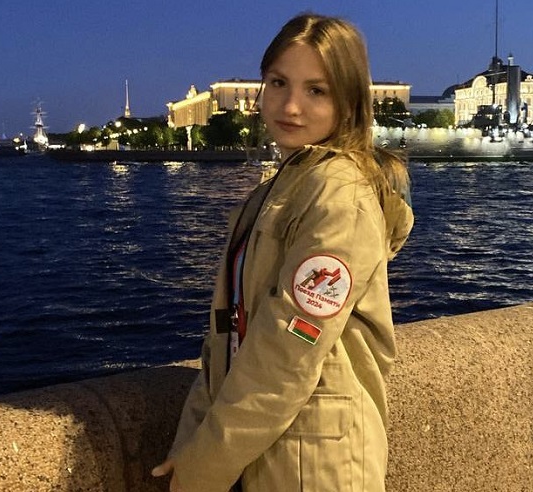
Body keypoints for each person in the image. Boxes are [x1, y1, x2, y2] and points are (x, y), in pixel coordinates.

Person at [151, 12, 413, 492]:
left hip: (316, 466)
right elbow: (229, 331)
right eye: (278, 83)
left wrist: (204, 464)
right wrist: (193, 438)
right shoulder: (285, 186)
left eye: (317, 90)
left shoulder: (338, 195)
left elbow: (289, 347)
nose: (291, 106)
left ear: (349, 102)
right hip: (280, 452)